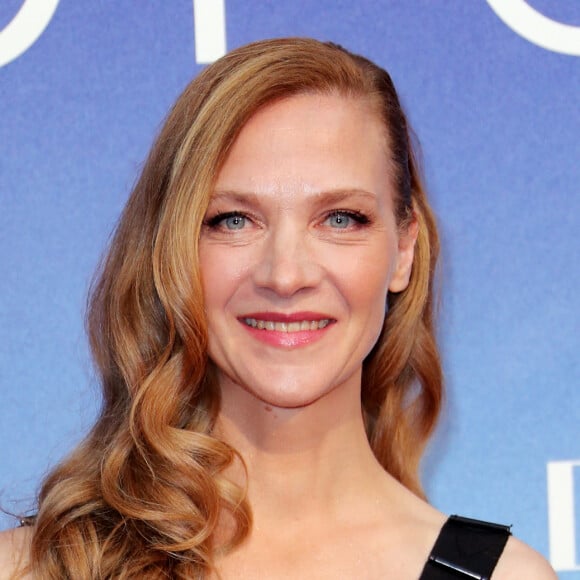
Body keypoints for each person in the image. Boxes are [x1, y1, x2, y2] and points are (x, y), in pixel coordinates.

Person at [0, 37, 555, 579]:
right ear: (171, 250)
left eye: (340, 218)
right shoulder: (32, 567)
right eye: (233, 220)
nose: (286, 276)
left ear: (403, 249)